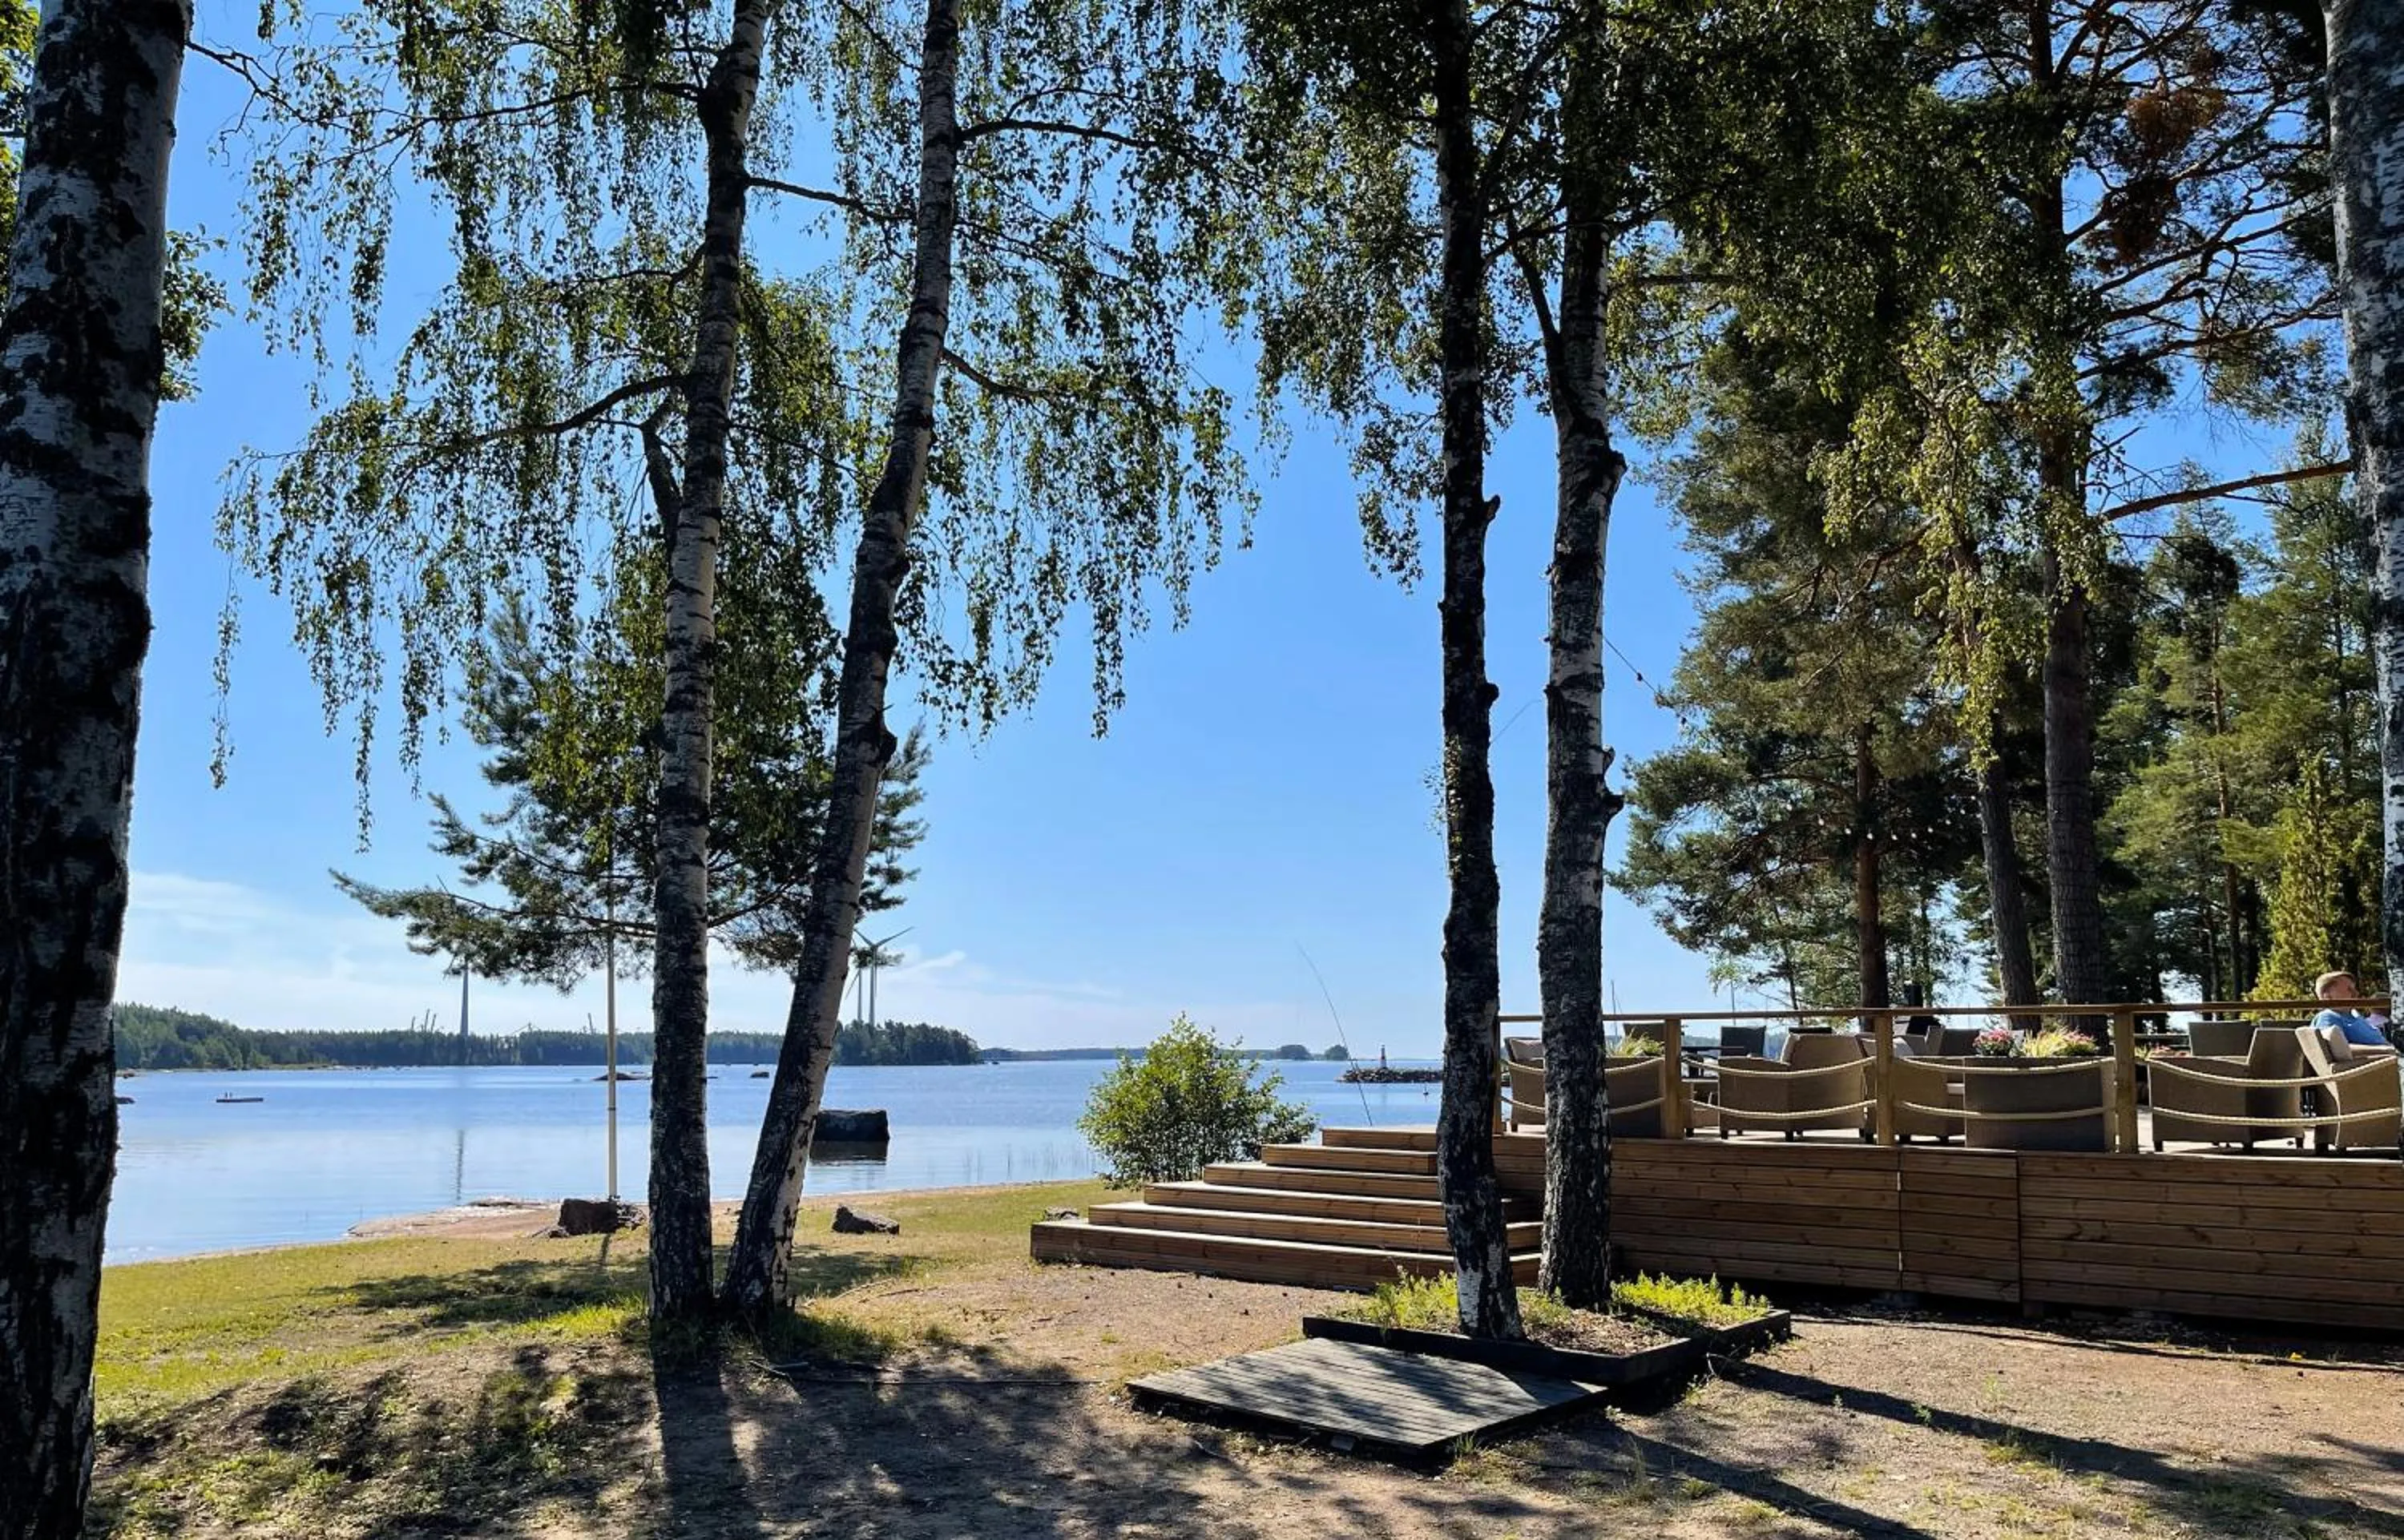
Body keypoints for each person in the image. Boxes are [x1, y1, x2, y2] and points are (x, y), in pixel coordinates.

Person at [2310, 970, 2392, 1049]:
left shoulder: (2354, 1016)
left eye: (2354, 989)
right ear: (2327, 996)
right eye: (2349, 989)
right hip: (2379, 1060)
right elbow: (2335, 1049)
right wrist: (2386, 1050)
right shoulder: (2328, 1017)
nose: (2356, 993)